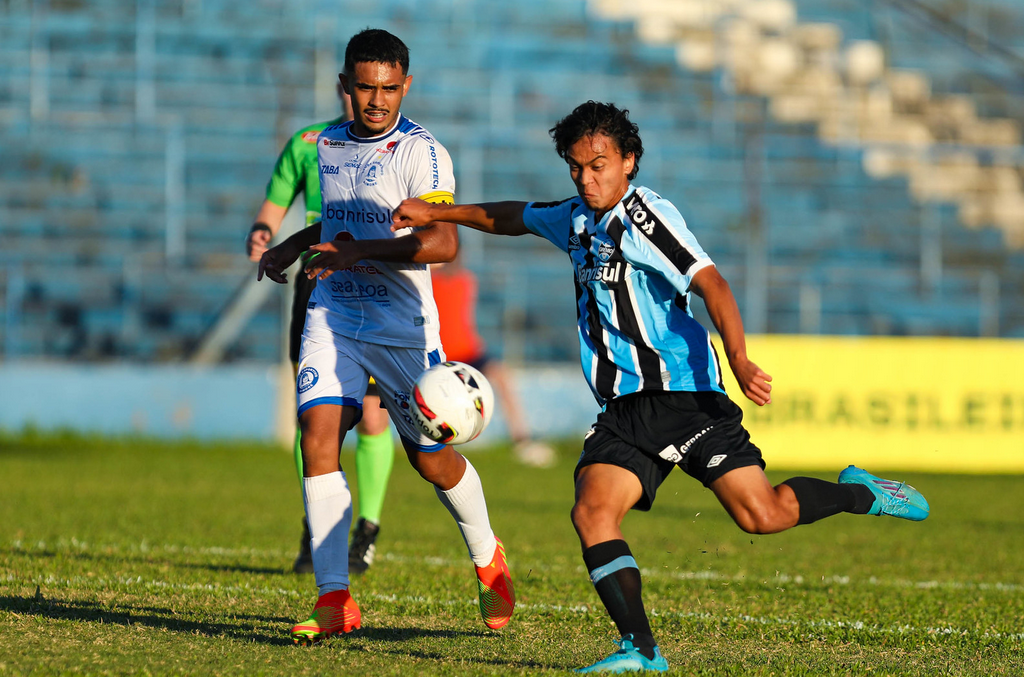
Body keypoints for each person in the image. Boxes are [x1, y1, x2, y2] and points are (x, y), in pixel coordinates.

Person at [391, 101, 930, 673]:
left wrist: (739, 359)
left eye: (599, 165)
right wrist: (437, 212)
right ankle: (641, 649)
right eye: (576, 167)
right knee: (592, 513)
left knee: (762, 516)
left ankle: (861, 493)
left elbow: (712, 283)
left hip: (684, 397)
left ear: (628, 161)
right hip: (623, 410)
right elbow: (514, 216)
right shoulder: (575, 218)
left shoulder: (647, 217)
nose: (587, 179)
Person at [257, 28, 514, 645]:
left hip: (402, 328)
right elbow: (339, 220)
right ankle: (334, 599)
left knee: (430, 460)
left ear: (406, 85)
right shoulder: (328, 144)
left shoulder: (423, 154)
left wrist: (357, 253)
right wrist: (294, 245)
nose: (377, 100)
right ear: (345, 85)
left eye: (390, 88)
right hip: (335, 316)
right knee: (319, 436)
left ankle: (488, 557)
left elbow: (443, 243)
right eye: (366, 87)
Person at [245, 84, 392, 576]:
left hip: (370, 285)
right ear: (342, 88)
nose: (366, 99)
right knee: (311, 415)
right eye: (357, 87)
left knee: (372, 417)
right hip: (315, 284)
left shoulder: (397, 147)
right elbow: (274, 204)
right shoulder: (310, 143)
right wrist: (263, 232)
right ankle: (316, 523)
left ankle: (367, 528)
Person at [431, 255, 556, 467]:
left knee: (501, 375)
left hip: (468, 352)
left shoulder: (466, 280)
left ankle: (521, 438)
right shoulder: (428, 282)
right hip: (441, 354)